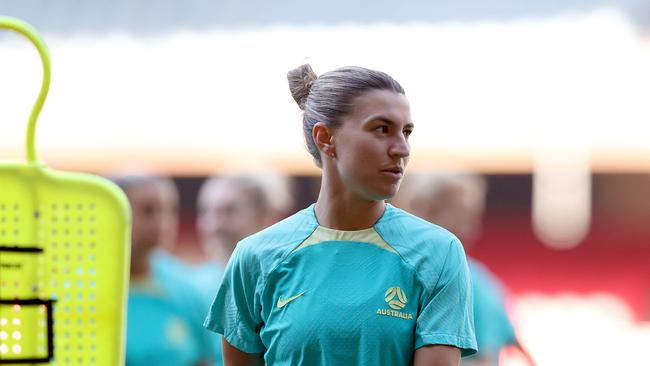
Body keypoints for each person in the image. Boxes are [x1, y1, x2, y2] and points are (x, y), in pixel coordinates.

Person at [204, 64, 477, 365]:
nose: (401, 148)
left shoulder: (437, 252)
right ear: (325, 138)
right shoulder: (254, 257)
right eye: (382, 129)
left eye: (406, 132)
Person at [393, 171, 535, 366]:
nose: (473, 225)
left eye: (472, 214)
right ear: (428, 211)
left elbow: (485, 358)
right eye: (462, 214)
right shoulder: (471, 276)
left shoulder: (472, 279)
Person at [114, 174, 205, 366]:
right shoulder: (83, 287)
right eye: (148, 211)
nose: (161, 222)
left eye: (168, 211)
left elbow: (204, 358)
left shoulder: (186, 289)